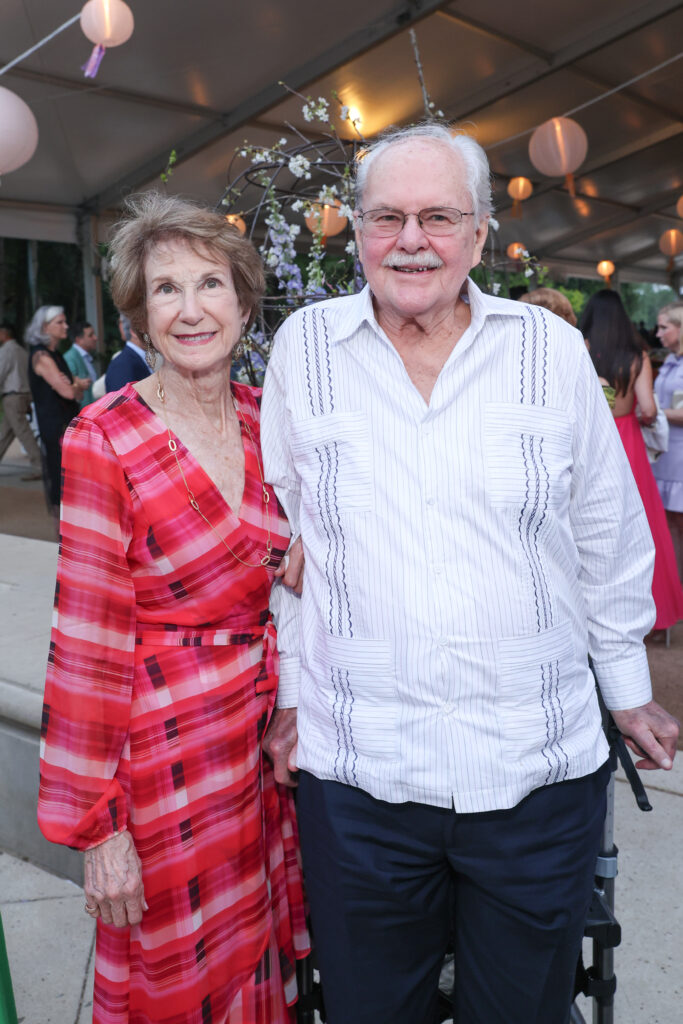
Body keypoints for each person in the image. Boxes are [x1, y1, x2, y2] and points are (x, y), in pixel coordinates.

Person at [261, 124, 679, 1024]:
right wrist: (291, 699)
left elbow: (606, 533)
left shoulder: (547, 350)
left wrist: (627, 690)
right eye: (387, 218)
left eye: (438, 217)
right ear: (359, 231)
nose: (411, 240)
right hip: (358, 773)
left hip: (532, 770)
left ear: (480, 233)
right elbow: (284, 545)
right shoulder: (304, 349)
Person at [37, 193, 309, 1024]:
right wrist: (98, 826)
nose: (191, 310)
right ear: (138, 315)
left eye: (210, 284)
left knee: (257, 960)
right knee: (174, 974)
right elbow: (86, 640)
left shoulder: (279, 421)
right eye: (165, 290)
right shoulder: (104, 436)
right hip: (162, 765)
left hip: (266, 752)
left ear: (243, 301)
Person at [581, 289, 683, 630]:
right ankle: (647, 612)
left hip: (592, 438)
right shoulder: (638, 353)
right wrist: (641, 417)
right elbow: (650, 410)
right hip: (629, 440)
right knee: (642, 526)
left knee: (590, 522)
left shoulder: (580, 347)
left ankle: (593, 612)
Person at [25, 306, 90, 512]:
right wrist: (74, 385)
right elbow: (70, 392)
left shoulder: (56, 355)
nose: (66, 326)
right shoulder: (42, 356)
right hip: (56, 429)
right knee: (62, 485)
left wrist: (72, 385)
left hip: (65, 424)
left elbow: (75, 392)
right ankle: (64, 535)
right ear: (45, 327)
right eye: (60, 322)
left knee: (73, 483)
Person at [652, 301, 683, 582]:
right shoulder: (670, 362)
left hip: (680, 456)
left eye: (664, 327)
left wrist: (651, 412)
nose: (658, 333)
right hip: (666, 454)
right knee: (670, 524)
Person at [0, 322, 43, 480]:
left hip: (13, 396)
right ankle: (39, 464)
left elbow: (1, 372)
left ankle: (39, 465)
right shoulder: (22, 351)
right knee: (5, 433)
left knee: (24, 433)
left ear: (4, 334)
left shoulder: (7, 350)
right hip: (23, 395)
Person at [104, 311, 152, 391]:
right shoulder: (121, 365)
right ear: (134, 332)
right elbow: (122, 403)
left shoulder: (137, 359)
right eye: (149, 326)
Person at [64, 321, 99, 406]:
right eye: (90, 335)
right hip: (81, 413)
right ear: (78, 339)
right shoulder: (70, 358)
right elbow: (69, 387)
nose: (95, 338)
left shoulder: (85, 356)